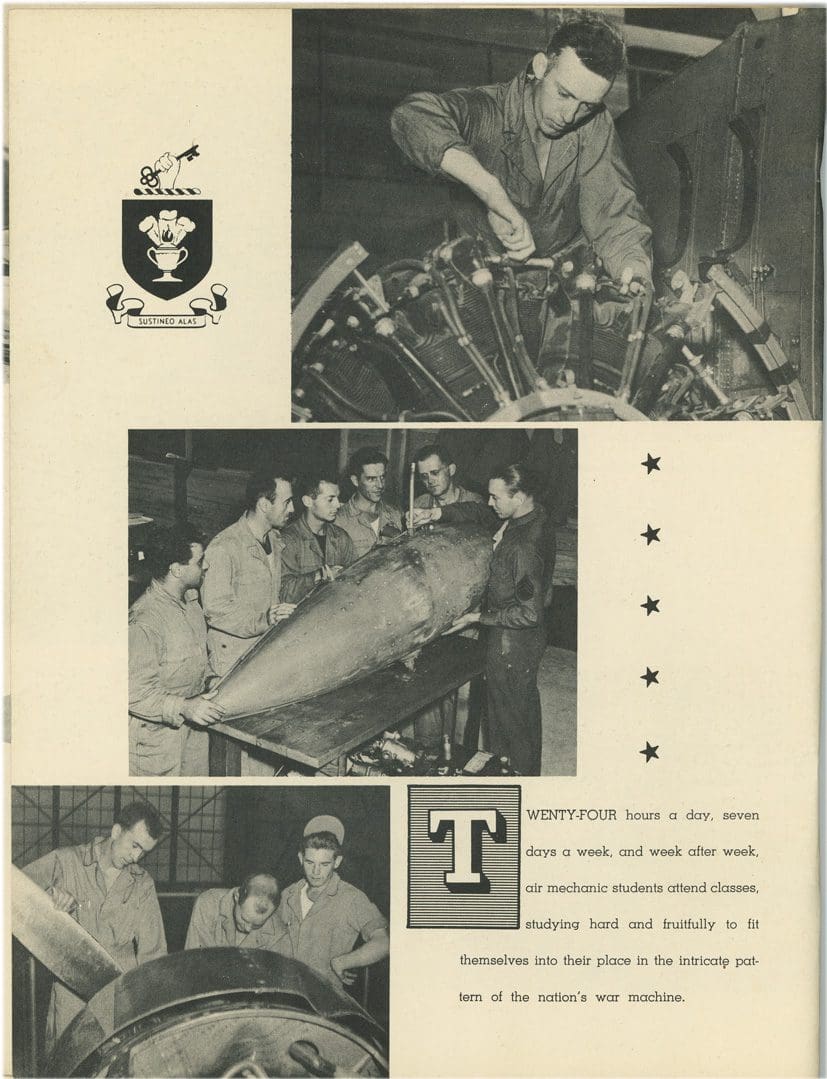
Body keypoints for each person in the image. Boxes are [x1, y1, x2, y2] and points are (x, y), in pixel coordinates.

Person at [390, 11, 652, 289]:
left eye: (586, 105)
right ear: (541, 66)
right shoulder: (489, 110)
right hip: (486, 292)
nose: (569, 115)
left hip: (562, 295)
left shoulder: (594, 125)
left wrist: (634, 272)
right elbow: (412, 116)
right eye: (564, 94)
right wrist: (491, 192)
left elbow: (614, 214)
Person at [23, 802, 167, 1053]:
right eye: (134, 845)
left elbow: (153, 956)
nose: (136, 857)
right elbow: (14, 892)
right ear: (115, 831)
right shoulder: (65, 861)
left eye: (144, 852)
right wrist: (47, 897)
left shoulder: (142, 885)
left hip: (119, 1002)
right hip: (71, 999)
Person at [449, 464, 553, 775]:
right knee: (523, 714)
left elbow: (528, 612)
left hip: (510, 644)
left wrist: (477, 616)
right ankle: (527, 774)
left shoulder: (522, 546)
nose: (490, 504)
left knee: (505, 724)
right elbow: (480, 513)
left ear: (518, 497)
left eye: (495, 498)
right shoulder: (537, 516)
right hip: (526, 643)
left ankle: (511, 780)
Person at [129, 524, 224, 776]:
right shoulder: (145, 622)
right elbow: (134, 692)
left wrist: (210, 679)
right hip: (155, 744)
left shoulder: (191, 601)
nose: (206, 566)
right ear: (177, 570)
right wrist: (183, 707)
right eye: (200, 561)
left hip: (193, 736)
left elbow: (196, 658)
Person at [202, 469, 296, 678]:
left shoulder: (274, 538)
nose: (292, 508)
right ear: (264, 504)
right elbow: (216, 610)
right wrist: (264, 620)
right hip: (232, 660)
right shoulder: (224, 547)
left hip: (263, 649)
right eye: (287, 502)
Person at [278, 816, 389, 990]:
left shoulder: (351, 898)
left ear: (336, 862)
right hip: (283, 991)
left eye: (324, 864)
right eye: (309, 862)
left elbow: (383, 943)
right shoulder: (288, 894)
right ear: (300, 858)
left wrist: (345, 961)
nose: (315, 872)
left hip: (323, 998)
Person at [281, 472, 356, 604]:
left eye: (337, 498)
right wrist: (319, 575)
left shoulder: (341, 537)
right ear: (308, 501)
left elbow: (356, 579)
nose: (338, 505)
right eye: (330, 499)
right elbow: (284, 592)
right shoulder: (288, 540)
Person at [185, 872, 290, 952]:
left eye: (257, 925)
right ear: (237, 896)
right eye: (244, 919)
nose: (248, 929)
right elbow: (195, 960)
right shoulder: (208, 904)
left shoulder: (278, 934)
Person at [336, 446, 402, 559]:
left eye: (382, 477)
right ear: (355, 481)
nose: (380, 485)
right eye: (371, 479)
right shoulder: (339, 521)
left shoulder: (395, 514)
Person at [413, 444, 486, 511]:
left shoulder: (475, 502)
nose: (430, 481)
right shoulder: (419, 505)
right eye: (424, 476)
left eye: (435, 473)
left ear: (451, 470)